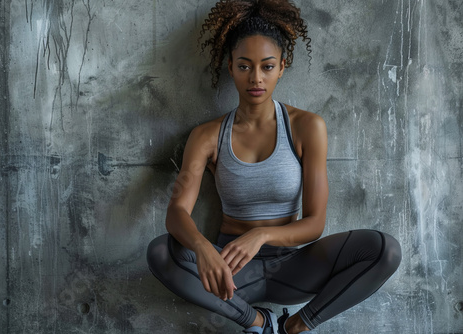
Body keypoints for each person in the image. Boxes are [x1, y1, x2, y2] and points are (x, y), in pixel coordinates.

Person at [147, 0, 402, 333]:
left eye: (267, 67)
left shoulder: (307, 126)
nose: (256, 78)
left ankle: (296, 325)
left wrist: (262, 235)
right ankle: (257, 322)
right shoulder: (207, 136)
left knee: (385, 250)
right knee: (161, 252)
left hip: (294, 267)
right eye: (244, 66)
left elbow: (315, 223)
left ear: (282, 66)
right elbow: (176, 212)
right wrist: (202, 249)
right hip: (232, 273)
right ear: (230, 67)